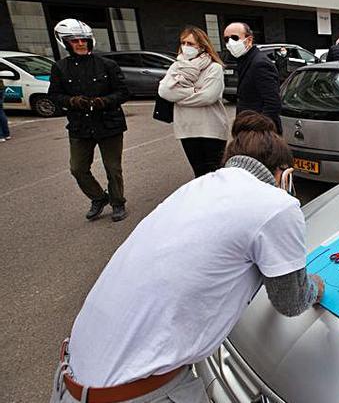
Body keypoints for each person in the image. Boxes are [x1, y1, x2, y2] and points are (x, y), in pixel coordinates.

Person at [50, 112, 324, 403]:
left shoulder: (197, 188)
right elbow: (291, 301)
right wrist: (317, 286)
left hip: (71, 376)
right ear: (284, 174)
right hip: (135, 393)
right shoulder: (277, 205)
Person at [48, 19, 130, 222]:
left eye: (83, 40)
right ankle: (99, 197)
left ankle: (118, 202)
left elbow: (123, 92)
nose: (80, 44)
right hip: (80, 126)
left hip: (109, 123)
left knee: (113, 167)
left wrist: (105, 101)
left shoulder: (107, 65)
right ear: (66, 43)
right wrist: (72, 101)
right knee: (77, 168)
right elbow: (54, 96)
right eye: (75, 41)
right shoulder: (60, 68)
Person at [158, 26, 229, 178]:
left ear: (202, 46)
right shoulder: (176, 66)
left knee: (215, 175)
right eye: (183, 43)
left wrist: (179, 97)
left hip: (211, 129)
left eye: (190, 44)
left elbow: (209, 96)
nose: (185, 47)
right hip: (187, 129)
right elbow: (164, 92)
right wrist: (195, 91)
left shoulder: (214, 68)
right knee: (199, 174)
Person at [224, 22, 283, 134]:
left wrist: (260, 131)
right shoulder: (244, 60)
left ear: (249, 40)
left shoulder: (259, 63)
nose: (230, 43)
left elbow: (272, 103)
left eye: (235, 38)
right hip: (247, 129)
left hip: (259, 134)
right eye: (226, 39)